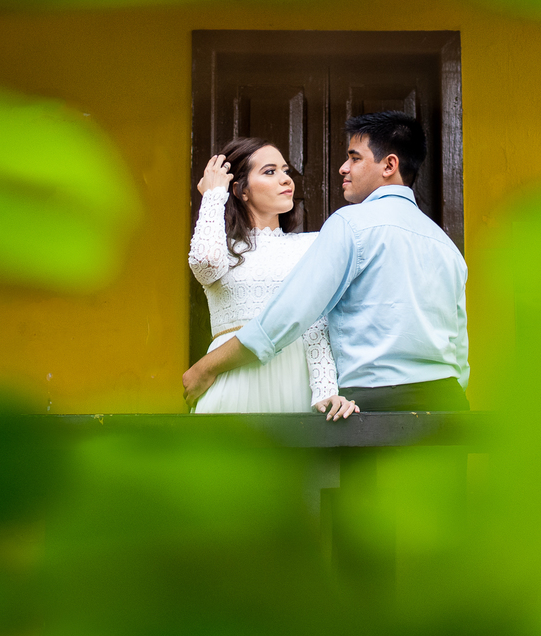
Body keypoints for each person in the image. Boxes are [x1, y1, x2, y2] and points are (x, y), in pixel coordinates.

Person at [183, 111, 469, 412]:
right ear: (241, 191)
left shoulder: (349, 225)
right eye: (270, 171)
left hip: (372, 400)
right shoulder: (446, 245)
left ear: (389, 165)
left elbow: (295, 314)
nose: (343, 168)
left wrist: (206, 367)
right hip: (448, 401)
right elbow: (459, 344)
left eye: (355, 158)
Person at [187, 136, 359, 419]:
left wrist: (326, 389)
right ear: (241, 190)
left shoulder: (313, 245)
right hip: (232, 383)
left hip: (296, 382)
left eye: (286, 171)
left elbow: (316, 324)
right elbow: (204, 263)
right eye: (270, 172)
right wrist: (213, 195)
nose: (286, 180)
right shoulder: (223, 249)